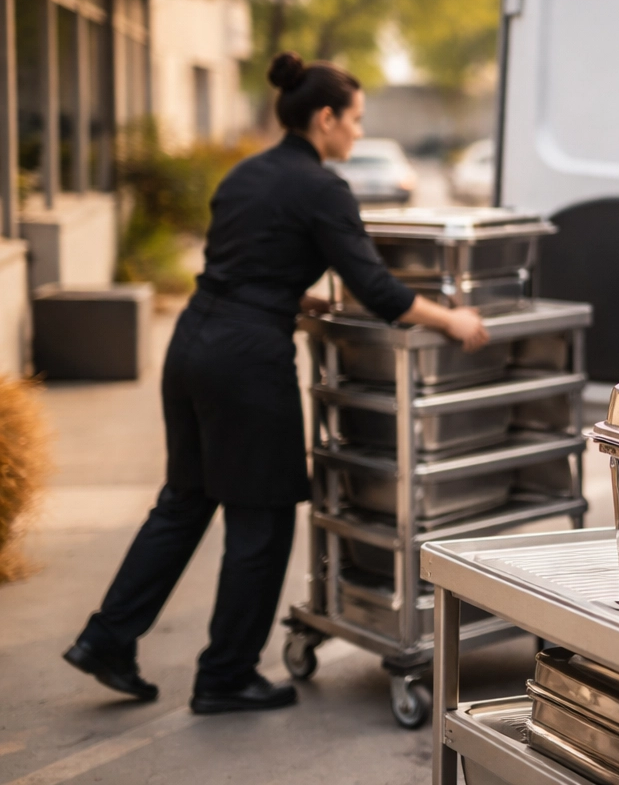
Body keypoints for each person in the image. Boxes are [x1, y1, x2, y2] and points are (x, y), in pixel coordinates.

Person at [63, 53, 490, 714]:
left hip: (193, 345)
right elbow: (377, 290)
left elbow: (243, 267)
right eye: (354, 121)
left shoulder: (244, 175)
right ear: (325, 119)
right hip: (245, 363)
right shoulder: (322, 189)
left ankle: (106, 639)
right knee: (259, 519)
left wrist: (295, 305)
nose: (356, 133)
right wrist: (453, 319)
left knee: (184, 502)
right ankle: (226, 675)